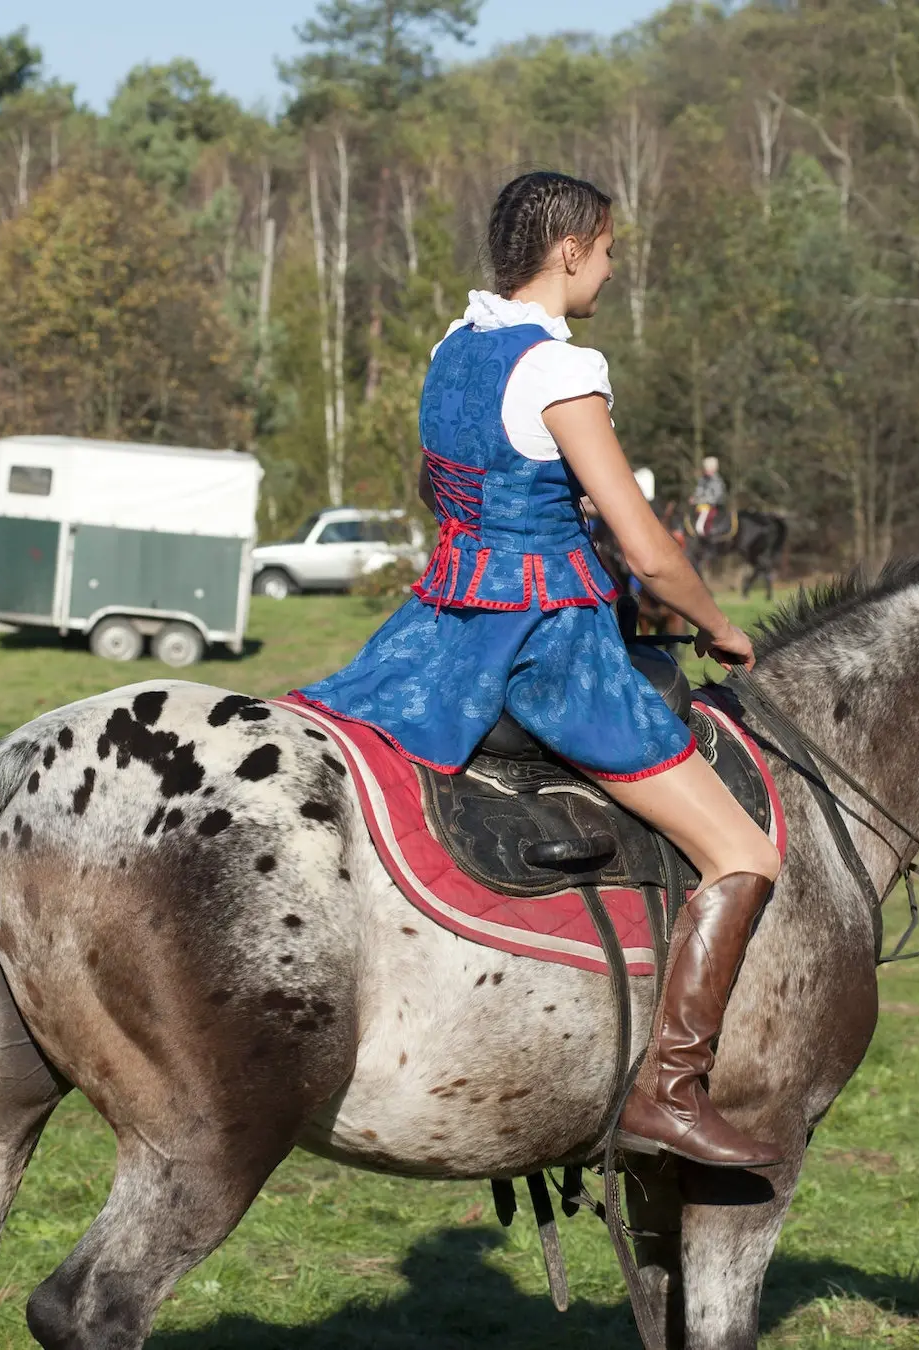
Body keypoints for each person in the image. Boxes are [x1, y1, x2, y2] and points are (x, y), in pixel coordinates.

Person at [299, 171, 783, 1169]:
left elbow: (461, 497)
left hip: (439, 627)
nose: (608, 266)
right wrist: (718, 624)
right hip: (548, 649)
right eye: (606, 250)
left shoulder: (454, 347)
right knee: (747, 856)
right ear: (569, 251)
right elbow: (646, 548)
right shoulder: (564, 369)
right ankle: (673, 1090)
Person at [690, 455, 727, 537]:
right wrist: (695, 497)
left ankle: (702, 537)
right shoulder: (702, 479)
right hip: (701, 505)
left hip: (712, 507)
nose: (706, 471)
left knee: (699, 525)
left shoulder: (717, 481)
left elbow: (715, 497)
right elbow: (699, 490)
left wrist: (698, 500)